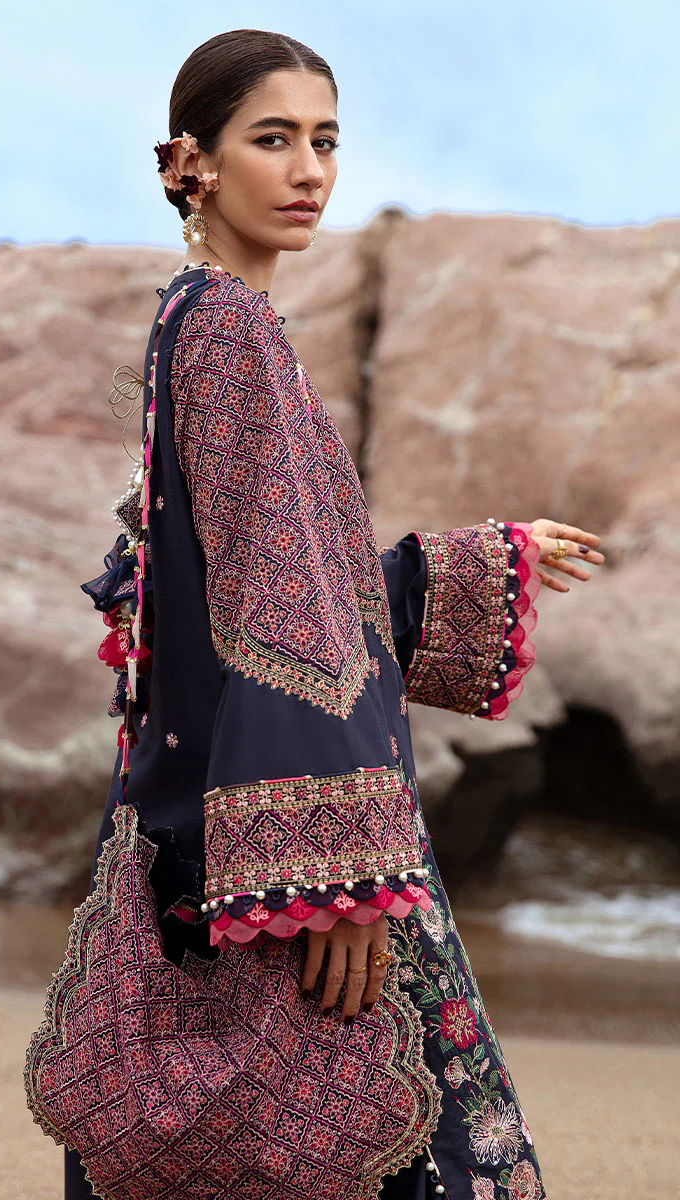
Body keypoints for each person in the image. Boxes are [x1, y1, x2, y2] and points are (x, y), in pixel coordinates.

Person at [63, 29, 604, 1200]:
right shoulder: (231, 332)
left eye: (325, 140)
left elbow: (285, 580)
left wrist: (478, 562)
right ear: (191, 163)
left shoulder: (195, 319)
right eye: (272, 139)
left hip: (210, 825)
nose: (309, 170)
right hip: (287, 859)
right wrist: (333, 883)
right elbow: (283, 617)